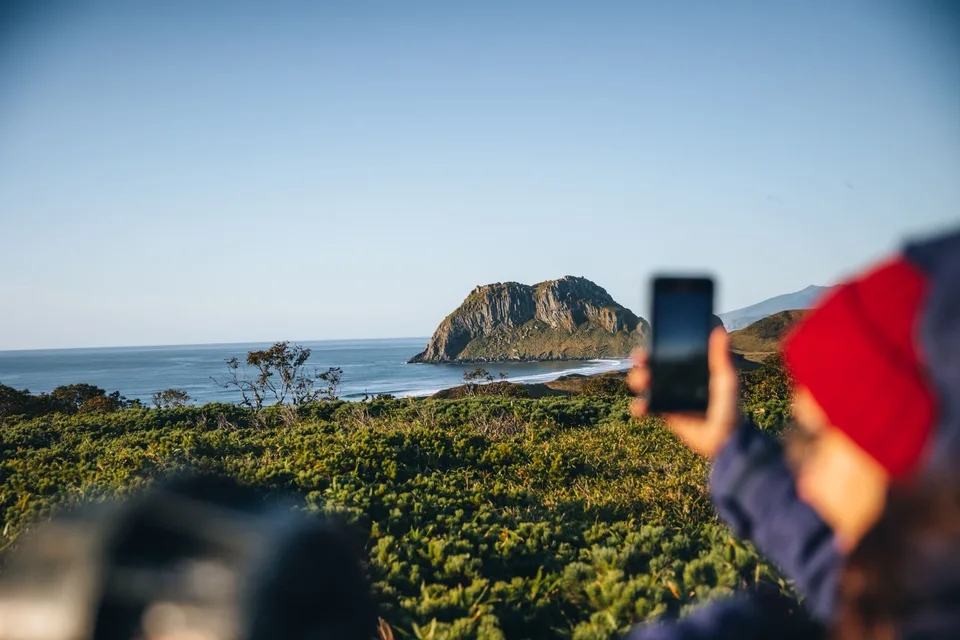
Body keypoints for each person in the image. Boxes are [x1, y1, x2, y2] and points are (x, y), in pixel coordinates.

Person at [625, 228, 960, 639]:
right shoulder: (911, 592)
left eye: (813, 440)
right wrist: (731, 445)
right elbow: (844, 573)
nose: (803, 483)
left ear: (909, 458)